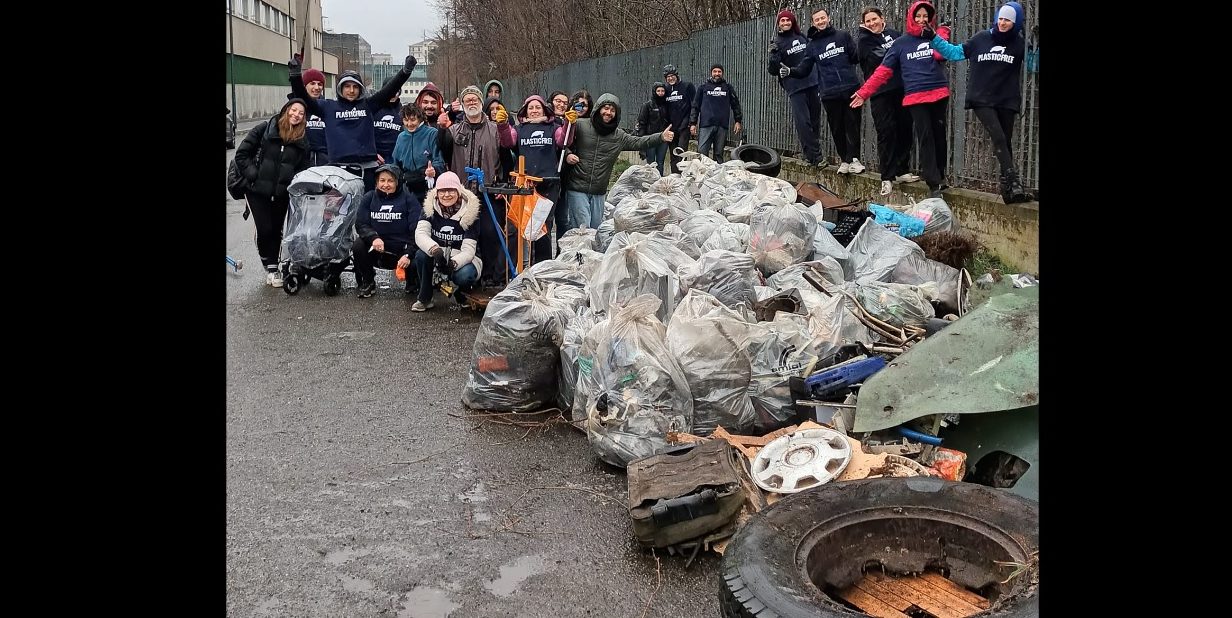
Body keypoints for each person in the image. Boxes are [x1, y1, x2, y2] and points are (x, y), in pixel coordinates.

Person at [927, 2, 1034, 203]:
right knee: (999, 137)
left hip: (1007, 99)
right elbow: (954, 53)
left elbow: (1033, 65)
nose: (1003, 23)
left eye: (1008, 20)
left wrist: (1036, 43)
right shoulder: (981, 38)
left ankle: (1008, 192)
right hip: (982, 98)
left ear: (1016, 22)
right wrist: (934, 37)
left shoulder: (1019, 44)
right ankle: (1014, 181)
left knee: (1006, 142)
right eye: (1000, 19)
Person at [851, 1, 952, 198]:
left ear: (883, 19)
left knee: (930, 135)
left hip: (925, 92)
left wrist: (942, 32)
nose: (921, 20)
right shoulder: (892, 42)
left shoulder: (920, 37)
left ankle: (930, 174)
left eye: (925, 16)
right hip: (902, 94)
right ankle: (900, 178)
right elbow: (881, 69)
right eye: (918, 16)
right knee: (906, 135)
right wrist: (864, 92)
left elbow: (943, 54)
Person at [289, 55, 415, 191]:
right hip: (338, 172)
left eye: (355, 87)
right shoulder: (327, 107)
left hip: (367, 171)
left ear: (360, 89)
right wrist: (295, 75)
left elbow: (389, 90)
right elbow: (303, 96)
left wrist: (406, 71)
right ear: (340, 88)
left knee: (366, 210)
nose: (351, 90)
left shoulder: (368, 105)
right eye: (347, 86)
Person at [439, 85, 517, 285]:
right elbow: (444, 152)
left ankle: (490, 276)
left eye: (475, 99)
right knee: (464, 235)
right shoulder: (454, 130)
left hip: (488, 192)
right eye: (467, 100)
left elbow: (508, 152)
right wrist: (442, 128)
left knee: (491, 233)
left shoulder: (494, 129)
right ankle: (466, 276)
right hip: (462, 194)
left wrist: (505, 184)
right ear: (463, 104)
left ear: (481, 103)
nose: (471, 103)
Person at [563, 93, 674, 230]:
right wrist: (568, 154)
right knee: (582, 227)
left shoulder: (619, 136)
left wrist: (660, 137)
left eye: (612, 110)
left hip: (599, 190)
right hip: (577, 187)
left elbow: (639, 142)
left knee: (596, 228)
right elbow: (563, 143)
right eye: (606, 108)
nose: (608, 113)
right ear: (598, 109)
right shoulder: (580, 126)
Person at [234, 98, 312, 287]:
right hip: (256, 191)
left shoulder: (302, 140)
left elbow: (303, 168)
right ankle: (266, 259)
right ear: (286, 110)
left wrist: (295, 187)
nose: (296, 115)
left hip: (281, 193)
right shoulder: (265, 129)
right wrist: (254, 174)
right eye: (294, 110)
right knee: (265, 229)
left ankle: (272, 268)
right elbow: (241, 154)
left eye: (301, 113)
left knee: (276, 230)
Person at [790, 9, 864, 174]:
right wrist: (789, 71)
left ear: (828, 18)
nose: (821, 21)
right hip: (829, 93)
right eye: (817, 19)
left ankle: (854, 160)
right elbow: (804, 69)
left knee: (853, 125)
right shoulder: (812, 45)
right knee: (836, 128)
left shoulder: (843, 36)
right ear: (813, 23)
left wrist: (863, 37)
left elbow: (855, 57)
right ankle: (844, 160)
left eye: (823, 18)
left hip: (851, 88)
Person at [856, 6, 920, 196]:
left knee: (905, 128)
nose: (872, 23)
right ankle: (887, 177)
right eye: (868, 21)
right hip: (880, 92)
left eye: (874, 19)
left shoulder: (895, 35)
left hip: (901, 88)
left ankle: (902, 170)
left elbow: (906, 54)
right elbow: (880, 59)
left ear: (882, 19)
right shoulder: (864, 40)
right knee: (886, 132)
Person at [511, 94, 577, 264]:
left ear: (544, 109)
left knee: (543, 226)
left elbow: (564, 141)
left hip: (549, 184)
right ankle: (523, 264)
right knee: (524, 225)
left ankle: (543, 265)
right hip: (525, 184)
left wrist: (570, 123)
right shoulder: (519, 129)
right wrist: (503, 125)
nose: (534, 111)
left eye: (537, 107)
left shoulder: (553, 127)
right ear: (525, 110)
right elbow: (507, 141)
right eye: (531, 108)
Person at [412, 171, 483, 312]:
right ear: (437, 192)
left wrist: (453, 263)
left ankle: (462, 295)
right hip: (437, 254)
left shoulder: (471, 212)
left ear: (458, 191)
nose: (446, 195)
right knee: (420, 256)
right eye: (442, 191)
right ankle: (425, 298)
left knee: (465, 275)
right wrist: (435, 250)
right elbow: (420, 234)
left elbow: (469, 251)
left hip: (463, 259)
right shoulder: (429, 208)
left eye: (451, 190)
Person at [351, 164, 421, 298]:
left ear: (397, 182)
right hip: (378, 247)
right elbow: (361, 224)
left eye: (390, 180)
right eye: (382, 180)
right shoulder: (369, 197)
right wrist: (373, 237)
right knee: (358, 245)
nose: (386, 184)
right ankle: (368, 281)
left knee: (420, 254)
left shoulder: (409, 199)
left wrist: (408, 253)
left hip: (402, 248)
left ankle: (412, 281)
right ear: (377, 182)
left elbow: (417, 229)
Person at [768, 9, 824, 167]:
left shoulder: (802, 37)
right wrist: (773, 56)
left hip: (812, 83)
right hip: (795, 87)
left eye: (788, 20)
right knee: (803, 122)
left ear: (793, 22)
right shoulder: (777, 43)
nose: (785, 23)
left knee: (815, 121)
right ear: (778, 24)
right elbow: (773, 71)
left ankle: (809, 154)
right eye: (782, 21)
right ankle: (816, 157)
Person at [689, 64, 743, 163]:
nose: (717, 74)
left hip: (722, 125)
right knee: (701, 152)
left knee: (718, 154)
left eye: (719, 72)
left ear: (722, 73)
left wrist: (738, 121)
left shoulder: (728, 87)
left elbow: (735, 105)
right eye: (715, 71)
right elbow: (695, 106)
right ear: (711, 73)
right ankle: (702, 174)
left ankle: (717, 176)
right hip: (706, 125)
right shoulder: (703, 87)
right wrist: (693, 123)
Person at [391, 104, 445, 203]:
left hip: (428, 184)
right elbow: (395, 164)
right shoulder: (401, 137)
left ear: (420, 119)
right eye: (406, 120)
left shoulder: (432, 133)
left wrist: (434, 170)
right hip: (408, 185)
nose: (409, 124)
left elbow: (439, 160)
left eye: (413, 120)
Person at [661, 65, 696, 173]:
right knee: (673, 154)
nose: (670, 78)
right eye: (668, 77)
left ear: (677, 75)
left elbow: (694, 105)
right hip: (671, 126)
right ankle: (674, 177)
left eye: (672, 76)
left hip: (684, 125)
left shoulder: (687, 86)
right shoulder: (665, 89)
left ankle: (682, 177)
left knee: (681, 152)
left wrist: (692, 122)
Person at [635, 82, 671, 174]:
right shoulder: (647, 106)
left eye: (662, 91)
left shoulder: (667, 106)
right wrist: (641, 144)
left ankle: (659, 183)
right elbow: (642, 124)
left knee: (660, 162)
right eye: (658, 90)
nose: (660, 93)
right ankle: (651, 183)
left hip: (663, 138)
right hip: (650, 138)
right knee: (651, 163)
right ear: (654, 92)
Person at [296, 67, 329, 166]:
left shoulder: (328, 107)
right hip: (300, 161)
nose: (316, 87)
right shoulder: (294, 109)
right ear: (304, 86)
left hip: (325, 163)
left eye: (320, 84)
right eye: (312, 83)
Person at [372, 75, 404, 165]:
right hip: (374, 159)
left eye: (396, 90)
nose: (393, 94)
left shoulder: (403, 111)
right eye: (390, 91)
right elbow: (364, 135)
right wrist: (372, 154)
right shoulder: (373, 109)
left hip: (395, 159)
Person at [485, 96, 518, 181]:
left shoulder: (509, 126)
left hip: (504, 172)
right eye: (492, 109)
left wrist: (503, 124)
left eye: (498, 109)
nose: (495, 112)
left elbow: (510, 143)